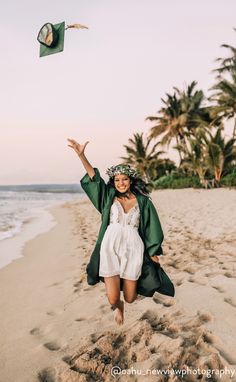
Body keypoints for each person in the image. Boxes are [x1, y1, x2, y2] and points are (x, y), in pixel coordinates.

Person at [67, 138, 175, 326]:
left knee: (132, 297)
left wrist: (154, 252)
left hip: (134, 248)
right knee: (112, 299)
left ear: (131, 180)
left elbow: (152, 227)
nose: (121, 183)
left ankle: (126, 302)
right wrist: (81, 155)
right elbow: (94, 179)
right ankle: (119, 306)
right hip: (110, 247)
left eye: (124, 179)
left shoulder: (143, 202)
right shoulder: (108, 198)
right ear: (113, 182)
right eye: (117, 180)